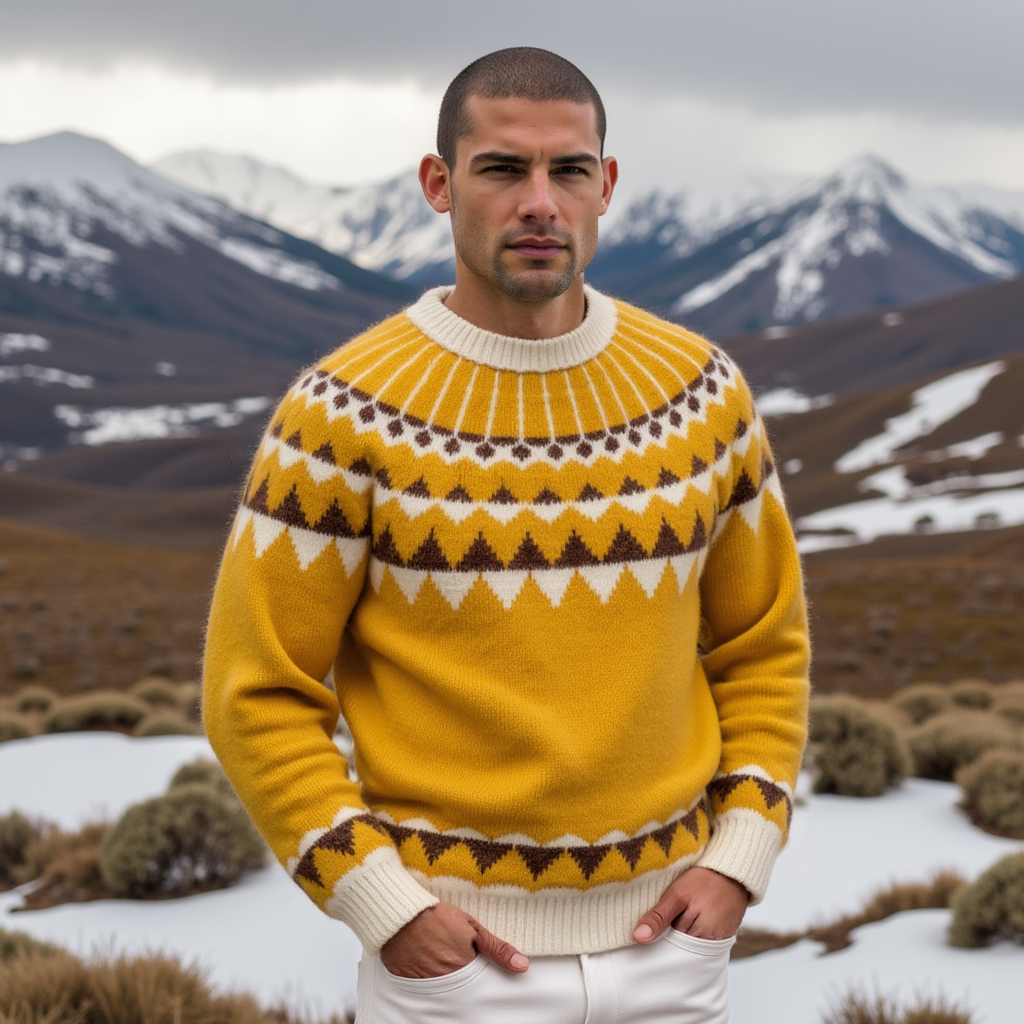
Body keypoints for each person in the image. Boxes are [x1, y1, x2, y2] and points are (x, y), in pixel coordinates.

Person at [203, 46, 810, 1023]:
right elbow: (253, 695)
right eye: (501, 169)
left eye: (568, 170)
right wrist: (387, 906)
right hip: (454, 968)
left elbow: (762, 649)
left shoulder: (702, 394)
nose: (540, 201)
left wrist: (738, 861)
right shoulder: (342, 415)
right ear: (440, 185)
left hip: (673, 950)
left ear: (605, 185)